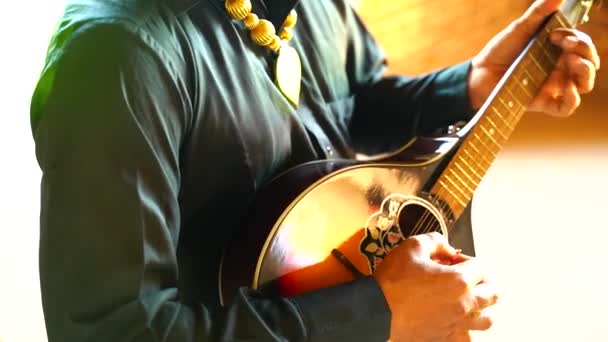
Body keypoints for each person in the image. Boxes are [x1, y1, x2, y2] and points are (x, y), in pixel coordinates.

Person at [29, 0, 599, 340]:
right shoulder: (116, 57)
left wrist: (474, 83)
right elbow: (112, 332)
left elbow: (352, 103)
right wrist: (375, 313)